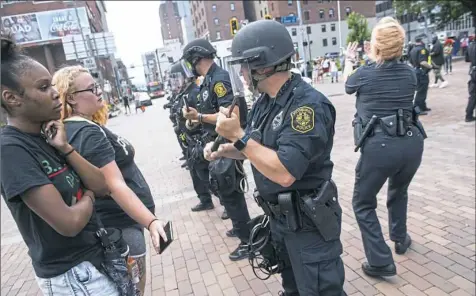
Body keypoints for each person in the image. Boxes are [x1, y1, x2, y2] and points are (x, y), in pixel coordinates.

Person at [205, 20, 345, 295]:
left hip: (308, 224)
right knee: (292, 288)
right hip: (281, 221)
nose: (242, 73)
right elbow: (258, 150)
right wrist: (226, 148)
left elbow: (284, 171)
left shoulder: (307, 106)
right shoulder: (266, 102)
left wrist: (240, 137)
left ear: (263, 65)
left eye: (245, 65)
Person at [0, 34, 120, 295]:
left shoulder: (48, 135)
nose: (56, 94)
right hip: (72, 275)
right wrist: (87, 195)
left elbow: (102, 186)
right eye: (44, 88)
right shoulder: (10, 150)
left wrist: (65, 148)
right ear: (12, 98)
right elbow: (69, 223)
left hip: (94, 261)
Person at [52, 65, 168, 294]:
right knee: (134, 292)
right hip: (122, 224)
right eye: (92, 88)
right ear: (72, 98)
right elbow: (114, 185)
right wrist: (151, 221)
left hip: (114, 224)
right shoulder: (88, 133)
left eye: (97, 86)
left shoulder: (71, 129)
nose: (99, 92)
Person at [343, 17, 426, 277]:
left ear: (375, 47)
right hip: (412, 144)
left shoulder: (365, 74)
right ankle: (400, 238)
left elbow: (347, 85)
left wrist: (349, 59)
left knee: (363, 203)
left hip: (380, 146)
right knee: (399, 190)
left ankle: (380, 261)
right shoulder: (410, 74)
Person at [181, 38, 251, 261]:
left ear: (195, 58)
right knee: (224, 190)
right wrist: (196, 119)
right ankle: (241, 229)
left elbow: (230, 115)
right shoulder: (208, 80)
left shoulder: (219, 79)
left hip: (226, 142)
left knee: (232, 192)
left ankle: (248, 241)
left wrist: (200, 117)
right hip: (216, 142)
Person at [409, 37, 433, 115]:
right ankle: (418, 109)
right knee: (421, 91)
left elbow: (410, 61)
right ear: (421, 41)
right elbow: (423, 62)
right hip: (421, 72)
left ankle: (423, 106)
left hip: (415, 71)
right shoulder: (422, 49)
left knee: (421, 90)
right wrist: (430, 66)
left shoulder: (412, 49)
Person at [465, 37, 476, 122]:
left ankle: (468, 115)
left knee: (473, 95)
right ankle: (469, 115)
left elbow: (467, 59)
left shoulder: (470, 46)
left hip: (473, 71)